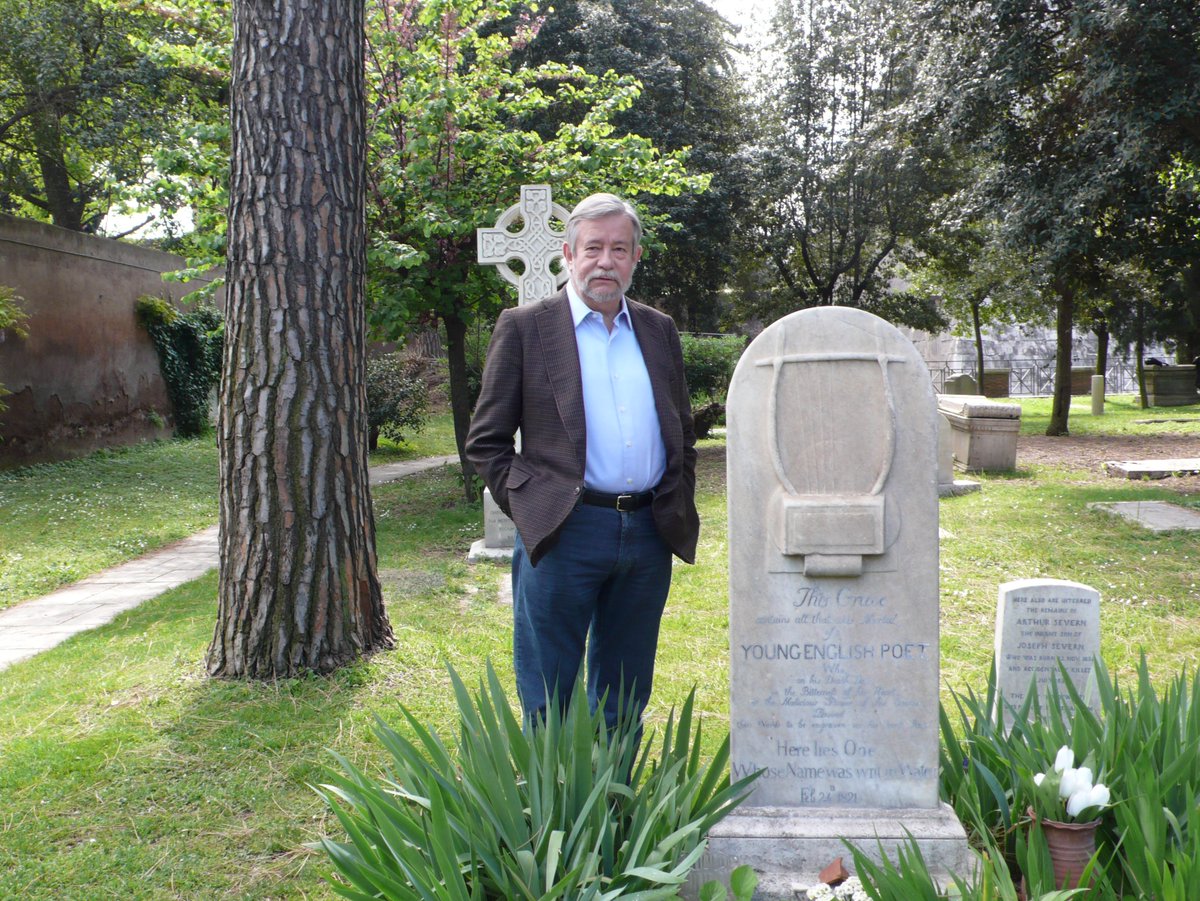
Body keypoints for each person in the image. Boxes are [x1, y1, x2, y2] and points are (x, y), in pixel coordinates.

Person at [465, 192, 699, 730]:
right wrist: (533, 505)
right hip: (565, 531)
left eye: (620, 249)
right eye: (592, 248)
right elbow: (487, 441)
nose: (605, 261)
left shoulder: (658, 330)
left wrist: (675, 494)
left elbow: (680, 432)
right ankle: (553, 811)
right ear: (568, 256)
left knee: (625, 691)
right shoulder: (526, 328)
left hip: (646, 531)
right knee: (549, 692)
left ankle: (615, 808)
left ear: (636, 258)